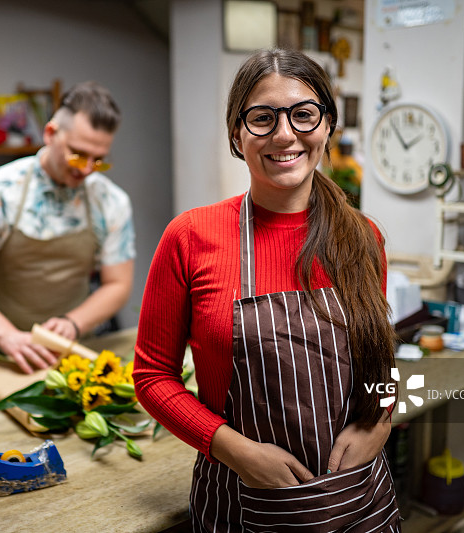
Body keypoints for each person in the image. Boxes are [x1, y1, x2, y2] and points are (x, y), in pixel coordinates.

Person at [133, 49, 400, 532]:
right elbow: (153, 377)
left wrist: (377, 425)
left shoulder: (364, 238)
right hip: (238, 500)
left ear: (328, 125)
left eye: (304, 114)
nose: (284, 134)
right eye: (262, 118)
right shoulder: (190, 237)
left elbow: (382, 365)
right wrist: (234, 450)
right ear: (237, 134)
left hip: (356, 499)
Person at [0, 81, 135, 374]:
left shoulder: (110, 201)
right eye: (78, 154)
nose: (86, 169)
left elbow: (118, 284)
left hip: (75, 350)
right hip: (4, 353)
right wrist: (7, 336)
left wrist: (74, 323)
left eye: (98, 160)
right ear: (50, 134)